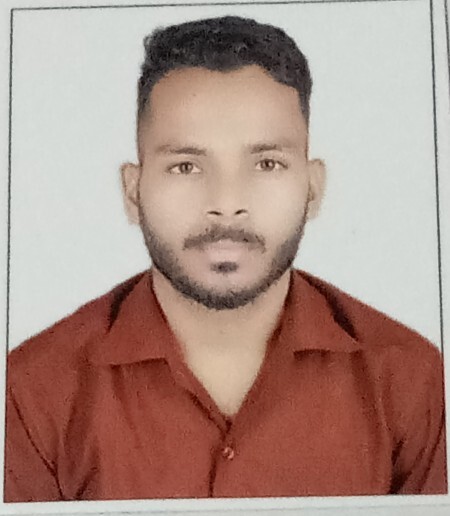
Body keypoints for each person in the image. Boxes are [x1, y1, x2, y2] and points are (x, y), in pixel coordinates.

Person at [4, 15, 446, 502]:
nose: (227, 203)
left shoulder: (410, 378)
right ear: (133, 192)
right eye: (186, 166)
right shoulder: (31, 390)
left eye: (267, 163)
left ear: (313, 188)